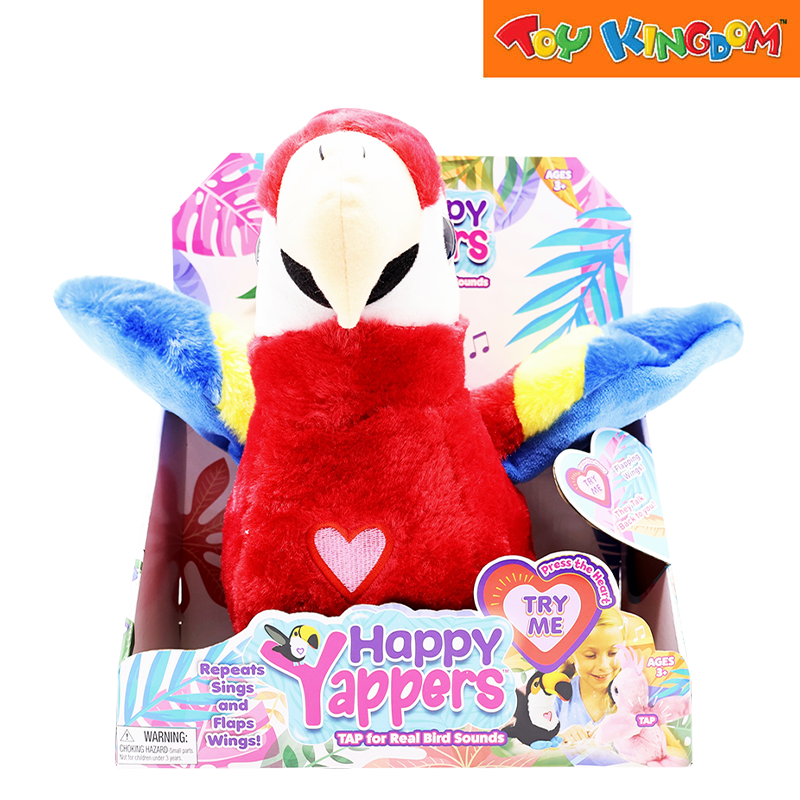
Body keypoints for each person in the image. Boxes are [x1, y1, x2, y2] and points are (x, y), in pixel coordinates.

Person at [554, 607, 627, 744]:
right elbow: (524, 748)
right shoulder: (557, 696)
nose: (603, 665)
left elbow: (667, 747)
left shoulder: (633, 695)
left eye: (613, 653)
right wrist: (559, 739)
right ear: (570, 654)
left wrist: (627, 735)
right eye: (591, 655)